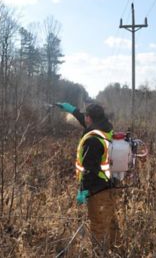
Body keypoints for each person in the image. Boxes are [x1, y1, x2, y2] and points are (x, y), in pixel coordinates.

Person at [56, 102, 119, 253]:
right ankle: (116, 250)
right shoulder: (105, 129)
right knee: (110, 220)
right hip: (109, 184)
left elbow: (90, 170)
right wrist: (73, 110)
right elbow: (86, 122)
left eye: (85, 116)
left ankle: (100, 253)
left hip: (97, 189)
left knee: (98, 224)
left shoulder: (92, 140)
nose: (84, 119)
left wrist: (83, 190)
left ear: (89, 118)